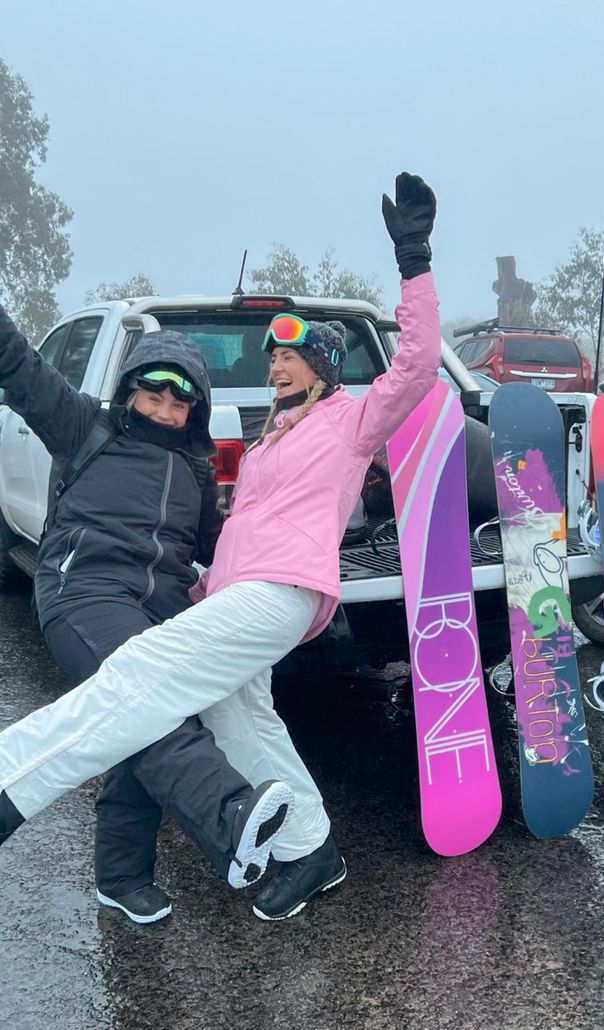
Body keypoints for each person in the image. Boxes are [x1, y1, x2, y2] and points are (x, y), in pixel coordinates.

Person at [0, 170, 441, 921]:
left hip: (280, 592)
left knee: (139, 670)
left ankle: (11, 782)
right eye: (270, 357)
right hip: (236, 596)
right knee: (241, 720)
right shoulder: (265, 445)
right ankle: (314, 850)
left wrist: (415, 262)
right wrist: (197, 591)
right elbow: (226, 538)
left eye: (289, 357)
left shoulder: (349, 421)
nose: (274, 365)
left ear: (324, 370)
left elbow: (418, 366)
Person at [0, 312, 295, 923]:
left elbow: (229, 546)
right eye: (152, 393)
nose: (163, 410)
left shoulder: (194, 471)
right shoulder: (84, 425)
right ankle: (229, 812)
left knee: (141, 721)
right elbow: (19, 365)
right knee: (148, 702)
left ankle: (122, 877)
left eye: (178, 402)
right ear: (130, 388)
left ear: (195, 410)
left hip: (159, 611)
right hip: (83, 592)